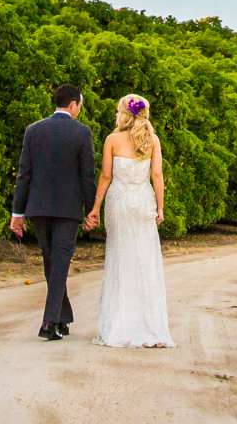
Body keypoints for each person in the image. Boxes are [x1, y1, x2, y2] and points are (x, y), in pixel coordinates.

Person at [8, 81, 95, 340]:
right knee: (57, 265)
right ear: (73, 104)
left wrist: (17, 213)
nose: (79, 109)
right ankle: (49, 323)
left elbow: (24, 175)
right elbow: (87, 177)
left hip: (39, 208)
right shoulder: (82, 133)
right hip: (68, 210)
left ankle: (62, 317)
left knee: (52, 263)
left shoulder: (33, 130)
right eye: (80, 105)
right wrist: (91, 210)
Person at [84, 92, 172, 347]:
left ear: (124, 113)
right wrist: (160, 207)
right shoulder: (152, 139)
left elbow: (105, 177)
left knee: (121, 259)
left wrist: (95, 208)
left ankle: (120, 325)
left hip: (120, 203)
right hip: (143, 202)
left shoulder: (112, 139)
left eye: (117, 110)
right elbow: (157, 175)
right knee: (146, 260)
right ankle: (150, 328)